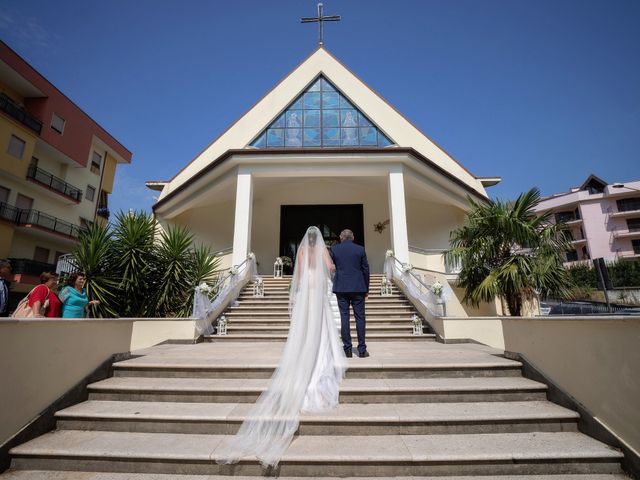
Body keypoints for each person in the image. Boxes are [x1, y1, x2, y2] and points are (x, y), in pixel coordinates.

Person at [216, 226, 347, 468]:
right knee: (320, 324)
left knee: (305, 324)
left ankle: (304, 351)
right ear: (317, 239)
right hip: (317, 287)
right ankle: (318, 353)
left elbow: (296, 277)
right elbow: (330, 268)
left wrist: (296, 291)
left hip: (306, 286)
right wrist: (330, 273)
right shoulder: (322, 250)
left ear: (304, 239)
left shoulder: (301, 252)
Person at [330, 229, 370, 358]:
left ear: (341, 238)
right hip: (358, 287)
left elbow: (332, 268)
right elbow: (366, 270)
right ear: (352, 237)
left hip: (341, 287)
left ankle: (347, 349)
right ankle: (362, 350)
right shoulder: (360, 249)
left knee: (344, 317)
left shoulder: (335, 250)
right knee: (360, 318)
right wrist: (366, 289)